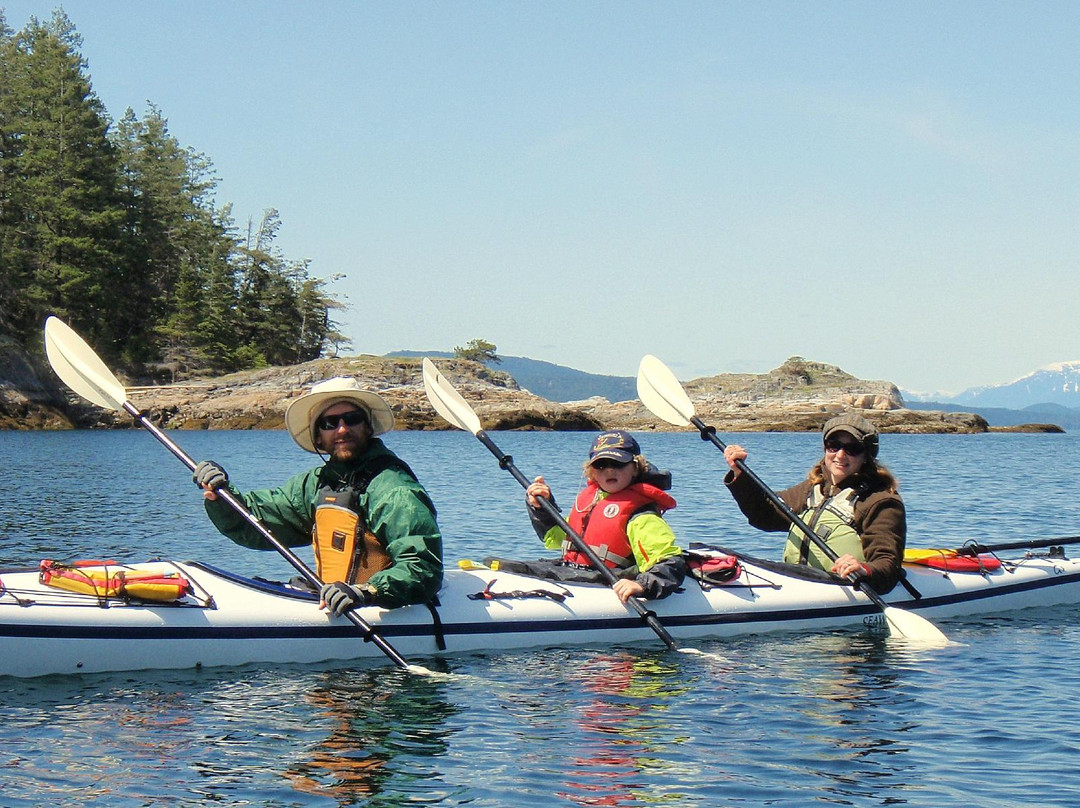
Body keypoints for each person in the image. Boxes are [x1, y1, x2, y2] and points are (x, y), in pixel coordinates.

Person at [192, 377, 443, 615]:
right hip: (331, 600)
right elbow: (255, 521)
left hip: (376, 605)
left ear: (368, 427)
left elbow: (422, 568)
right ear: (318, 438)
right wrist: (221, 494)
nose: (342, 429)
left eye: (351, 419)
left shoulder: (395, 490)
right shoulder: (316, 485)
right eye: (329, 423)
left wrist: (365, 592)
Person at [722, 413, 905, 593]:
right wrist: (740, 474)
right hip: (800, 582)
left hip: (846, 587)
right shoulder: (812, 489)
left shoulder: (881, 501)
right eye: (834, 446)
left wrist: (864, 570)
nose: (840, 455)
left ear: (866, 456)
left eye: (852, 449)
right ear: (825, 448)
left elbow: (888, 565)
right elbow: (764, 515)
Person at [518, 430, 686, 603]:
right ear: (592, 472)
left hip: (608, 580)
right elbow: (554, 538)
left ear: (635, 468)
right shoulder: (589, 502)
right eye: (601, 465)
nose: (610, 470)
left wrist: (642, 585)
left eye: (618, 463)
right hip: (575, 573)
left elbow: (670, 562)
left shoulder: (642, 516)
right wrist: (542, 507)